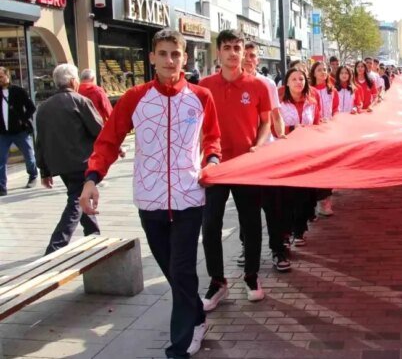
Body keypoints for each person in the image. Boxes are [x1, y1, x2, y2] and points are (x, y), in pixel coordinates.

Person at [80, 29, 221, 358]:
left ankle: (180, 346)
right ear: (152, 57)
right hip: (150, 199)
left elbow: (212, 139)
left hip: (189, 197)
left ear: (185, 58)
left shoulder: (201, 97)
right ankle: (197, 318)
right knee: (173, 271)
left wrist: (212, 160)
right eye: (163, 53)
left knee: (183, 268)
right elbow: (109, 141)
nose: (170, 60)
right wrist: (91, 178)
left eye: (176, 54)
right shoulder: (134, 97)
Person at [198, 30, 273, 311]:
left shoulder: (258, 86)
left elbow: (266, 122)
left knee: (251, 223)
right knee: (210, 225)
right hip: (215, 166)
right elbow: (195, 126)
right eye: (227, 47)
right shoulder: (204, 87)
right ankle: (217, 281)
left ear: (244, 52)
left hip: (246, 166)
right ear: (218, 51)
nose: (232, 52)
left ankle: (251, 277)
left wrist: (259, 144)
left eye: (237, 48)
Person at [36, 64, 103, 254]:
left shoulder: (43, 107)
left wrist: (45, 171)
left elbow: (39, 141)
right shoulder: (79, 101)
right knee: (76, 200)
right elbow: (98, 129)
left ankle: (94, 235)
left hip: (59, 164)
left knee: (79, 196)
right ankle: (56, 246)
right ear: (74, 81)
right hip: (81, 161)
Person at [243, 42, 291, 274]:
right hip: (242, 158)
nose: (248, 59)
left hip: (266, 155)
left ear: (258, 60)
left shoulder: (267, 84)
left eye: (252, 56)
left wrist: (281, 136)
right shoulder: (223, 85)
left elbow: (276, 115)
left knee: (273, 206)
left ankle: (278, 249)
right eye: (245, 55)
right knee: (246, 207)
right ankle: (247, 246)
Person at [278, 68, 321, 245]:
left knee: (304, 195)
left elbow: (317, 124)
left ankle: (299, 230)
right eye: (294, 79)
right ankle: (286, 231)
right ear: (287, 82)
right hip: (286, 154)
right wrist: (292, 130)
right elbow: (275, 128)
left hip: (307, 153)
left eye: (301, 79)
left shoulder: (312, 102)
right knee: (287, 195)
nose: (298, 82)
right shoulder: (280, 103)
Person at [0, 66, 37, 195]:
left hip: (20, 131)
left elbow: (31, 107)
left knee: (29, 156)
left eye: (1, 76)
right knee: (1, 160)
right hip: (3, 133)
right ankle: (2, 187)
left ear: (7, 76)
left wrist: (23, 119)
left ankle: (32, 175)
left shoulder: (18, 91)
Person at [309, 61, 338, 216]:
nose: (323, 72)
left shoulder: (331, 90)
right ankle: (313, 201)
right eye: (319, 70)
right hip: (313, 133)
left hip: (329, 133)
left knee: (328, 166)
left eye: (325, 70)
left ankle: (325, 201)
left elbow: (336, 110)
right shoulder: (309, 90)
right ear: (313, 73)